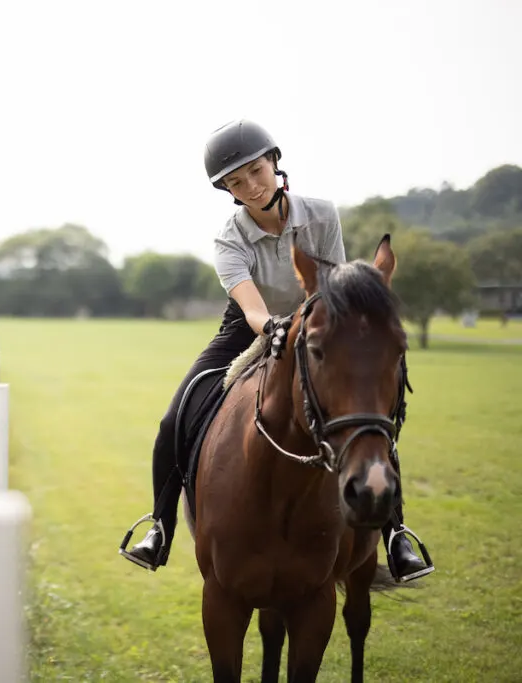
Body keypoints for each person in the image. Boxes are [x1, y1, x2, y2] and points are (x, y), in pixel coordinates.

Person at [118, 119, 435, 583]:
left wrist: (323, 330)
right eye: (235, 182)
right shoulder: (229, 237)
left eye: (255, 171)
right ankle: (159, 526)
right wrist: (277, 329)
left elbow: (335, 286)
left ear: (275, 163)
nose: (249, 186)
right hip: (251, 327)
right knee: (176, 415)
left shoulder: (323, 215)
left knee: (366, 414)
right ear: (227, 190)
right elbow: (251, 309)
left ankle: (395, 533)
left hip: (318, 322)